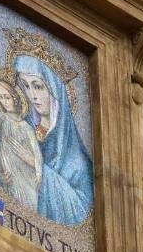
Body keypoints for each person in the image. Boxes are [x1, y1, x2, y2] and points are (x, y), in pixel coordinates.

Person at [14, 54, 93, 225]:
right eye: (26, 86)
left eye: (38, 87)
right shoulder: (21, 127)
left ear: (55, 91)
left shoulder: (77, 161)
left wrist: (37, 166)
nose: (32, 95)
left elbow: (80, 211)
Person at [0, 79, 43, 210]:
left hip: (24, 172)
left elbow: (36, 151)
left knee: (28, 202)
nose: (4, 101)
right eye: (0, 97)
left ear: (15, 98)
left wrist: (38, 172)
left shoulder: (26, 127)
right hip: (9, 172)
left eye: (7, 97)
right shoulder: (2, 118)